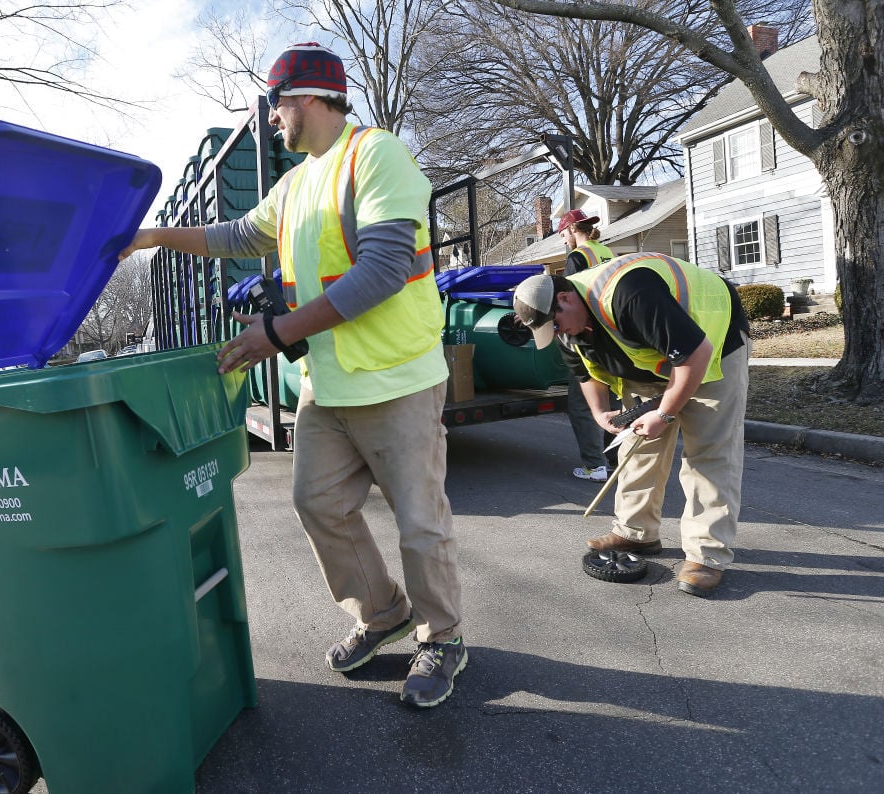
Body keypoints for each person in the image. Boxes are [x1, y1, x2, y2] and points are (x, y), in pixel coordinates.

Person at [118, 43, 466, 706]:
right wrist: (159, 236)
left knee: (420, 521)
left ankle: (443, 637)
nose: (273, 122)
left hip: (397, 380)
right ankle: (382, 611)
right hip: (329, 385)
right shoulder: (299, 181)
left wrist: (274, 333)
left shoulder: (376, 155)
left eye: (276, 108)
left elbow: (384, 270)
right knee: (318, 504)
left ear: (303, 99)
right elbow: (237, 235)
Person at [511, 254, 751, 597]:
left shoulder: (629, 293)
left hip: (712, 344)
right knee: (637, 446)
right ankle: (636, 532)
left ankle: (706, 555)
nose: (559, 333)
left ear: (564, 298)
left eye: (557, 324)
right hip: (654, 360)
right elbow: (585, 372)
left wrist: (665, 414)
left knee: (709, 452)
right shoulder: (568, 326)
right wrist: (599, 413)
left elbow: (695, 353)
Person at [556, 209, 618, 482]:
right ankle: (616, 461)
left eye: (562, 234)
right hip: (615, 337)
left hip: (589, 337)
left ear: (571, 230)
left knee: (584, 404)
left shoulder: (577, 257)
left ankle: (595, 466)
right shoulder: (607, 252)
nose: (563, 240)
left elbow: (570, 301)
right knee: (615, 401)